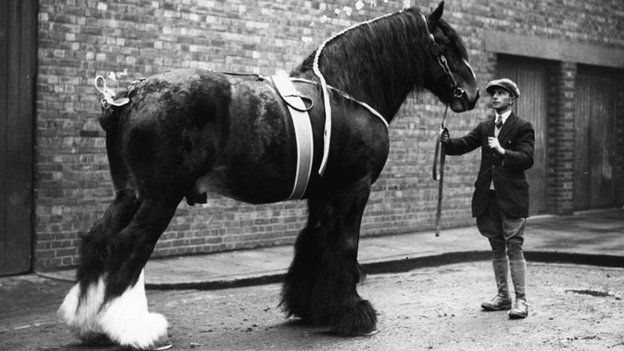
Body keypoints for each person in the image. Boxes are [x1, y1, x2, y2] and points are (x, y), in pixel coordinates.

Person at [442, 78, 534, 319]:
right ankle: (503, 297)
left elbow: (527, 158)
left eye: (501, 93)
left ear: (511, 99)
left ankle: (521, 301)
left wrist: (503, 151)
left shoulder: (523, 126)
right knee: (496, 246)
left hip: (512, 196)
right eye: (493, 93)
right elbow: (463, 144)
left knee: (514, 247)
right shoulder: (485, 127)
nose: (495, 97)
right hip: (489, 196)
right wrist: (445, 143)